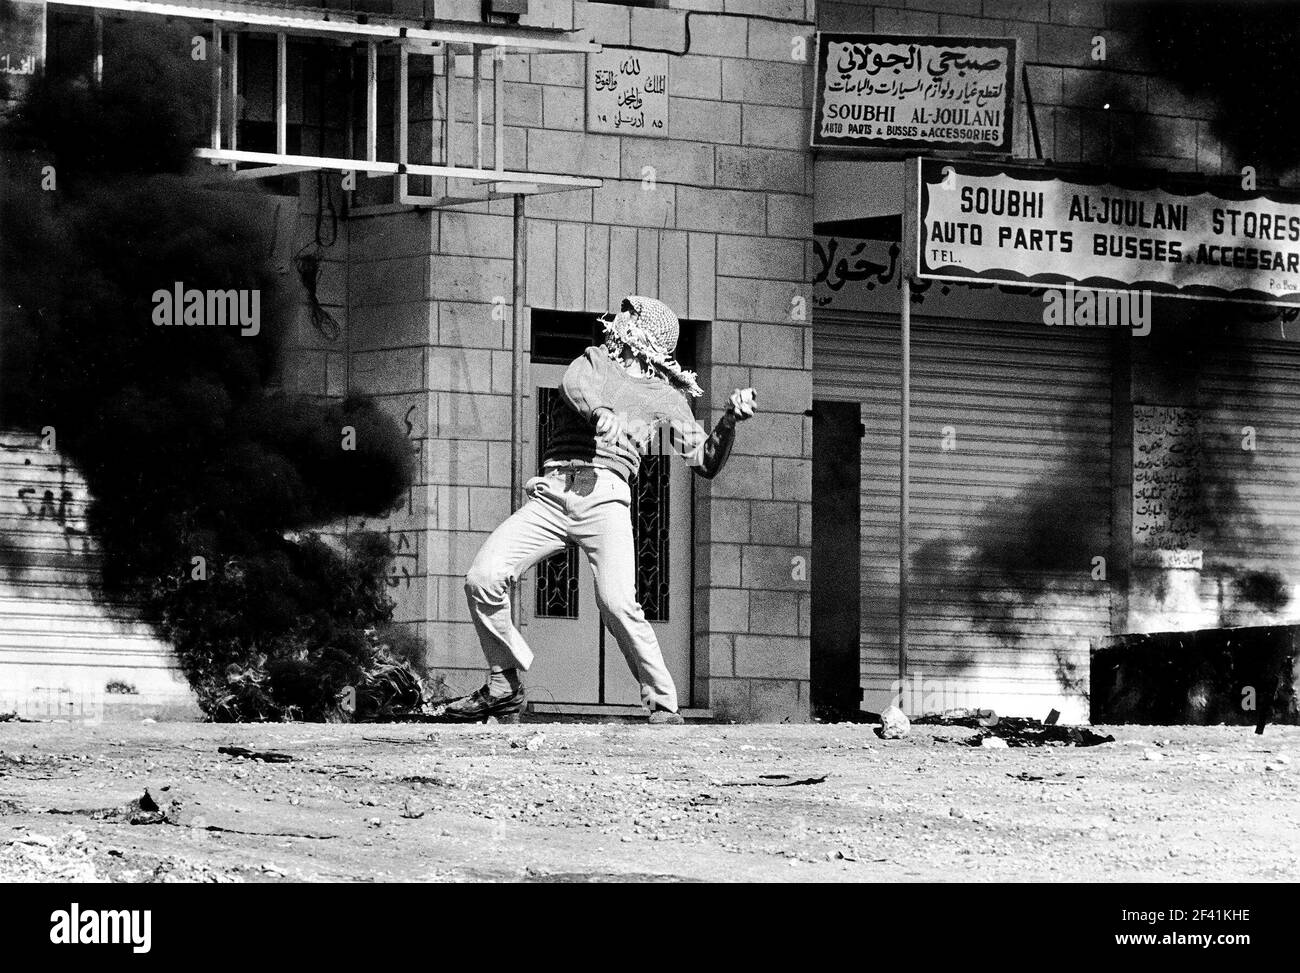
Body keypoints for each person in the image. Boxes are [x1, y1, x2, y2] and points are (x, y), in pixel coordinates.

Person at [443, 295, 756, 724]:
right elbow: (575, 387)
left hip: (606, 497)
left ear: (644, 333)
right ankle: (504, 683)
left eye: (629, 313)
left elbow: (703, 461)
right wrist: (602, 413)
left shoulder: (666, 397)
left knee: (616, 601)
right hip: (553, 492)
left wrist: (729, 421)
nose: (617, 318)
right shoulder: (593, 360)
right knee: (483, 577)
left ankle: (663, 704)